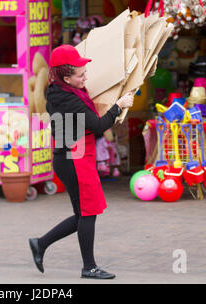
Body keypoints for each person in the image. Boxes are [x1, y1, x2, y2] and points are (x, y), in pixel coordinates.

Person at [29, 44, 134, 279]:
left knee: (84, 213)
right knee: (88, 211)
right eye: (80, 74)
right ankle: (89, 267)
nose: (85, 77)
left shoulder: (62, 91)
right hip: (74, 159)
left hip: (72, 157)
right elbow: (97, 126)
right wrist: (119, 106)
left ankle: (40, 244)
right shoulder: (69, 99)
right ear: (66, 77)